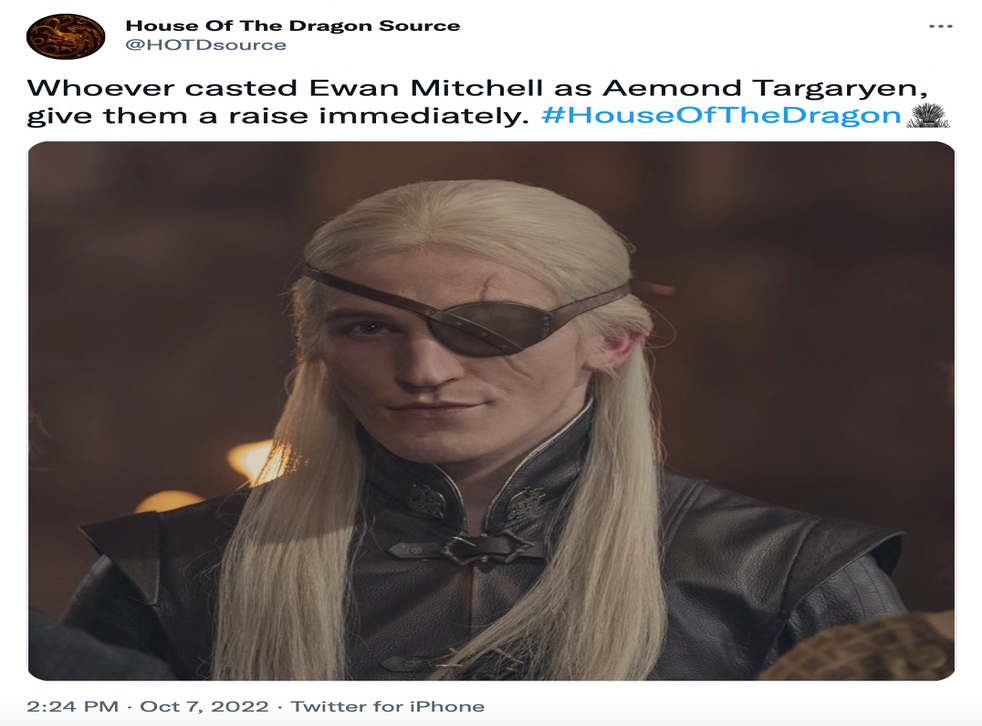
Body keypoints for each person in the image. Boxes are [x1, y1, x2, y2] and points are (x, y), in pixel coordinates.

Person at [63, 179, 904, 680]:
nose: (425, 371)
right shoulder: (171, 570)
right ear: (317, 343)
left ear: (612, 342)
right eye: (369, 328)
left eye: (487, 328)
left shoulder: (783, 573)